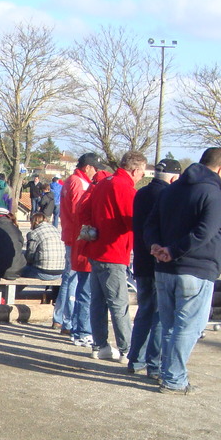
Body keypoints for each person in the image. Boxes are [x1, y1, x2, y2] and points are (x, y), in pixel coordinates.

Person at [145, 146, 221, 395]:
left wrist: (156, 246)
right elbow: (205, 231)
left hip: (164, 268)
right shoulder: (213, 193)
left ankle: (164, 370)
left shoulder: (170, 190)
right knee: (189, 327)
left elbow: (150, 224)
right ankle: (174, 378)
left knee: (170, 324)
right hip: (196, 268)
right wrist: (173, 250)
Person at [81, 150, 147, 363]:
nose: (141, 178)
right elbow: (132, 221)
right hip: (114, 251)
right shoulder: (125, 188)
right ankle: (127, 349)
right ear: (135, 170)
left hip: (96, 249)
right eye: (142, 173)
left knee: (98, 302)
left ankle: (100, 345)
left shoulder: (103, 183)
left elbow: (84, 210)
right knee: (119, 304)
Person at [128, 158, 180, 381]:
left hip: (140, 258)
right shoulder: (169, 196)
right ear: (174, 177)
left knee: (144, 311)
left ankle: (135, 359)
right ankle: (154, 364)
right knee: (159, 315)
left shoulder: (140, 193)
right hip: (159, 261)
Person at [55, 154, 102, 346]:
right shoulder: (79, 184)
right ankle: (67, 320)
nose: (96, 172)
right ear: (88, 167)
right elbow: (79, 213)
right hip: (76, 237)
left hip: (70, 233)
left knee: (70, 278)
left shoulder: (69, 181)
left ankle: (61, 318)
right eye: (95, 168)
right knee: (73, 279)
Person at [22, 211, 65, 279]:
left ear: (35, 222)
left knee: (19, 271)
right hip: (60, 271)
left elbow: (30, 255)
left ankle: (14, 290)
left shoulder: (34, 233)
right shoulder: (55, 230)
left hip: (43, 272)